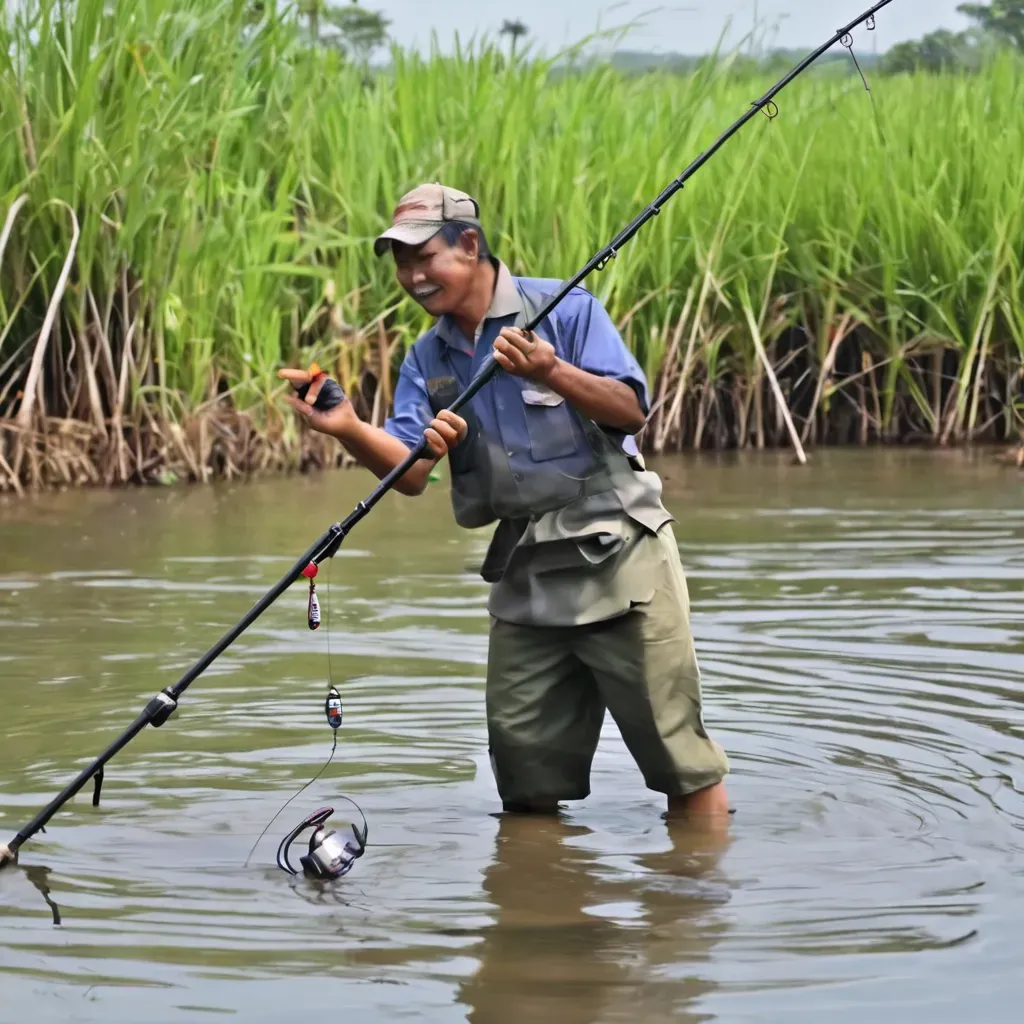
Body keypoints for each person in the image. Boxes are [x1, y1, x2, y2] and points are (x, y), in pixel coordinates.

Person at [280, 183, 730, 822]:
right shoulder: (427, 358)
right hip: (524, 574)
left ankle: (694, 906)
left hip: (622, 557)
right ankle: (536, 908)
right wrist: (349, 426)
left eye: (422, 256)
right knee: (523, 777)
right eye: (400, 263)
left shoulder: (564, 310)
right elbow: (411, 475)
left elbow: (632, 409)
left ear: (469, 244)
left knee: (679, 760)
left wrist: (550, 371)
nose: (411, 276)